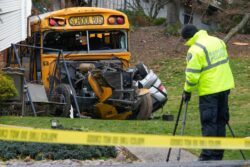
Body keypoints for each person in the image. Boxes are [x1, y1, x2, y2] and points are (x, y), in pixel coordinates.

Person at [181, 24, 235, 161]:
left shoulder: (195, 49)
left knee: (209, 122)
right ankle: (217, 156)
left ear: (188, 38)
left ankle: (207, 157)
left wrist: (187, 91)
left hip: (209, 91)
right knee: (221, 122)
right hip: (224, 87)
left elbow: (192, 76)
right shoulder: (217, 41)